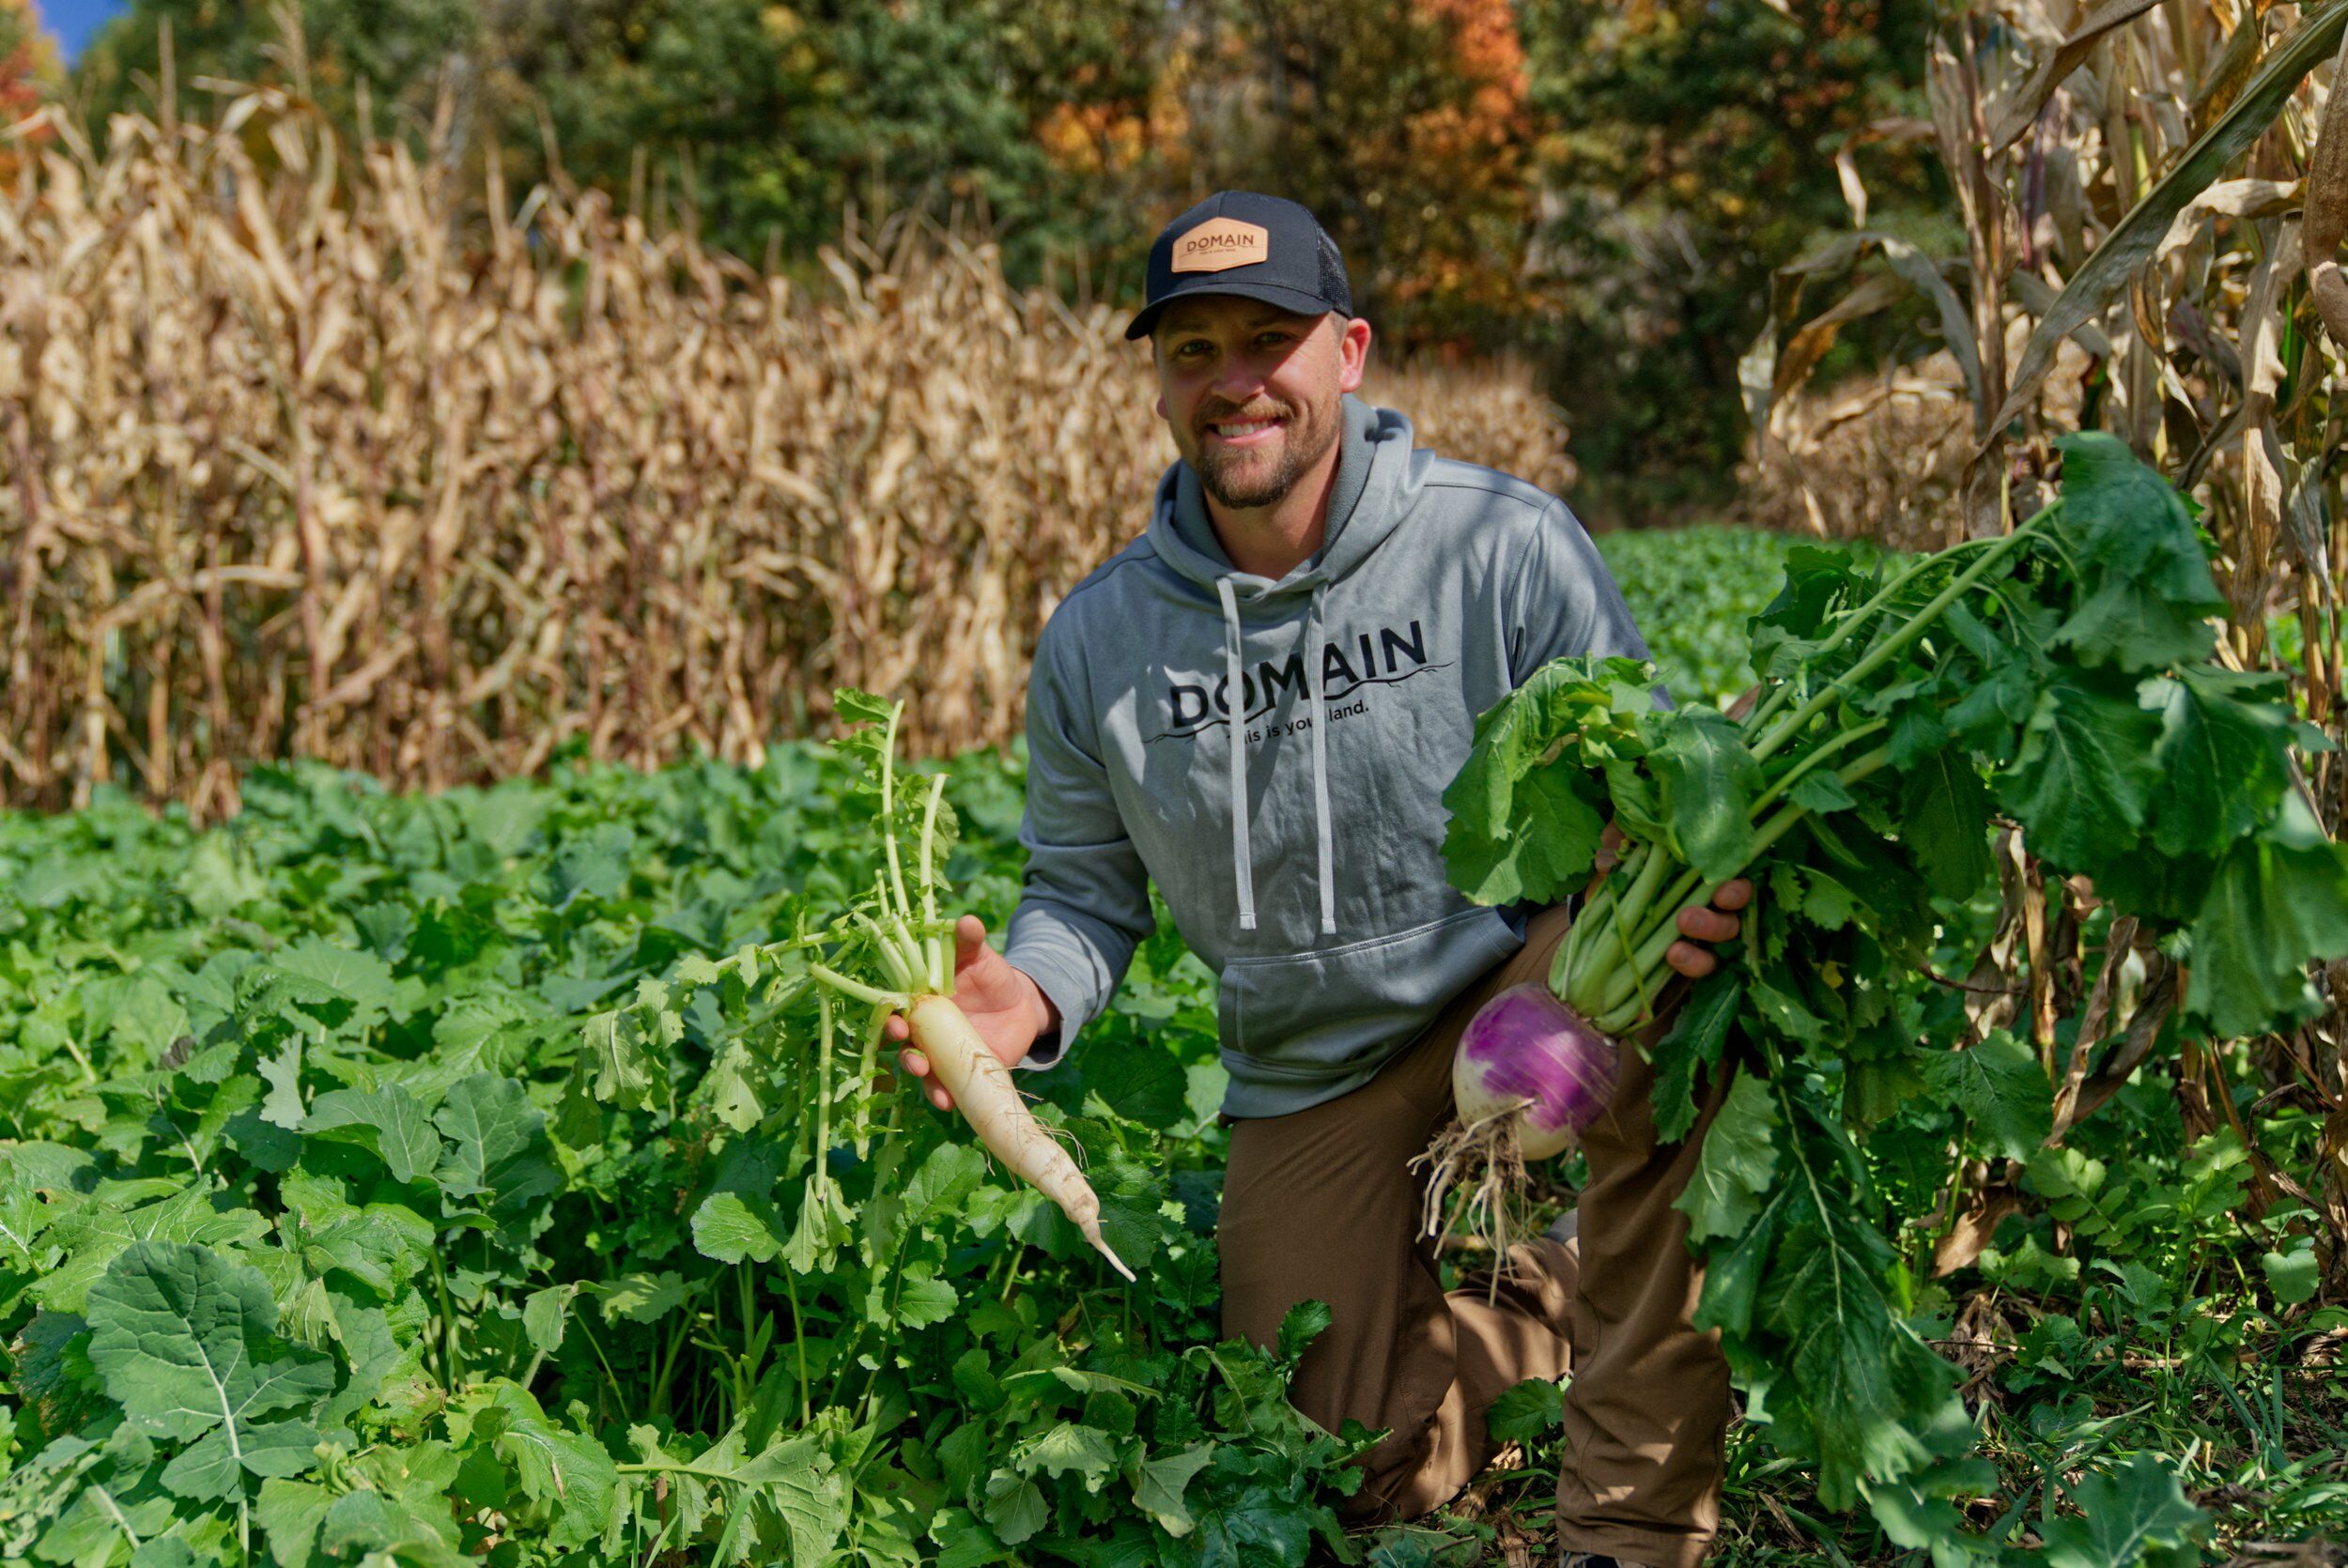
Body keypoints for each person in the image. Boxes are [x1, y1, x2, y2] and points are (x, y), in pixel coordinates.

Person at [886, 192, 1748, 1568]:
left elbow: (1639, 802)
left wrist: (1673, 891)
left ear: (1347, 354)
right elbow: (1084, 890)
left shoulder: (1503, 546)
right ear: (1160, 382)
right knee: (1339, 1467)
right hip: (1312, 1068)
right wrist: (1028, 998)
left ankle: (1631, 1526)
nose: (1233, 380)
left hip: (1519, 981)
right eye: (1193, 350)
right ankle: (1545, 1294)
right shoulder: (1101, 641)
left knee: (1675, 1003)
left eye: (1268, 339)